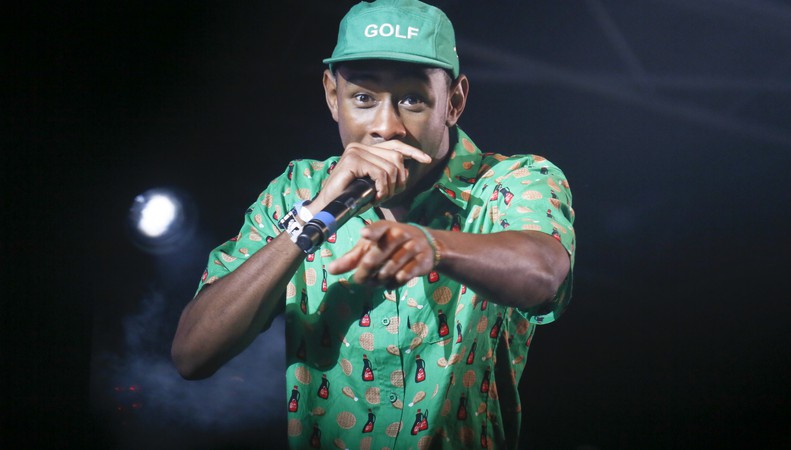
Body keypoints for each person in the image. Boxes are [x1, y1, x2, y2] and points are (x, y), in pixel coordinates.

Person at [171, 0, 576, 448]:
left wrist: (432, 245)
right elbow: (192, 354)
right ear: (332, 96)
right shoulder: (296, 191)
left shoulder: (512, 182)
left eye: (412, 99)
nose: (386, 126)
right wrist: (313, 216)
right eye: (363, 98)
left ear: (454, 102)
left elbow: (544, 275)